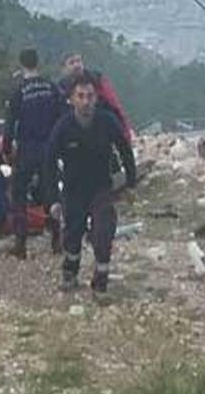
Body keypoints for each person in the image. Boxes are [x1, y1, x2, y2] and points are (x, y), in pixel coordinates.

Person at [42, 70, 137, 294]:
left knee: (104, 232)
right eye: (81, 96)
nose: (86, 101)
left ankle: (101, 280)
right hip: (73, 190)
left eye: (90, 96)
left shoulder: (107, 121)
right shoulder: (63, 127)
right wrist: (52, 199)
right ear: (72, 99)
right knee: (72, 235)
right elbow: (48, 162)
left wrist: (130, 182)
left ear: (97, 97)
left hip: (101, 188)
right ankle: (70, 272)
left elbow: (125, 150)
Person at [4, 48, 65, 259]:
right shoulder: (51, 86)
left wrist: (6, 150)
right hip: (49, 146)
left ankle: (20, 244)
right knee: (51, 191)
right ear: (37, 63)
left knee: (19, 193)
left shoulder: (19, 91)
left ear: (22, 64)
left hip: (27, 148)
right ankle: (57, 239)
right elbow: (63, 116)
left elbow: (10, 123)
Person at [58, 53, 132, 141]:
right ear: (63, 69)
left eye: (78, 61)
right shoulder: (61, 90)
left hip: (104, 128)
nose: (77, 65)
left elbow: (115, 105)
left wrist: (127, 131)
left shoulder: (97, 80)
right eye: (72, 63)